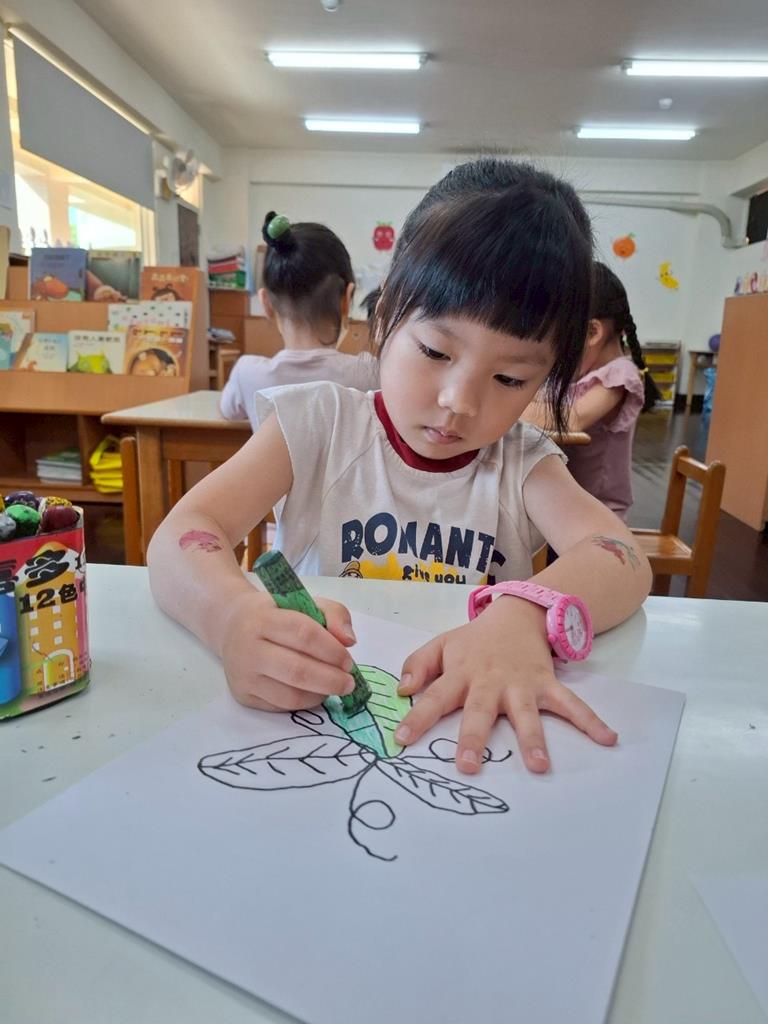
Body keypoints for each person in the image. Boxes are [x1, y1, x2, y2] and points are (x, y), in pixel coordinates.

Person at [148, 159, 652, 779]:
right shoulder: (317, 424)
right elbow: (183, 532)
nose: (460, 402)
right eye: (436, 351)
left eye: (510, 378)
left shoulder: (520, 463)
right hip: (311, 723)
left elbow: (623, 558)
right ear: (385, 317)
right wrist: (230, 617)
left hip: (470, 748)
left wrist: (524, 615)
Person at [523, 262, 661, 519]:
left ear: (592, 332)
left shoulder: (620, 375)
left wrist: (507, 408)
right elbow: (538, 397)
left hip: (599, 512)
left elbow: (573, 419)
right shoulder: (580, 376)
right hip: (568, 501)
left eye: (560, 341)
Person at [219, 214, 379, 426]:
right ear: (347, 299)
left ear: (266, 303)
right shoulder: (370, 373)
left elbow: (227, 412)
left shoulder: (247, 373)